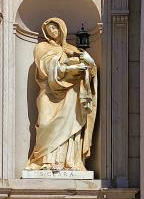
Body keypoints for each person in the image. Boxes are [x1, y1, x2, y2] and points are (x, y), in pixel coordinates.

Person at [25, 17, 97, 171]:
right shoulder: (41, 47)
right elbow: (44, 67)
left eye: (55, 28)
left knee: (70, 126)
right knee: (44, 123)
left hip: (71, 93)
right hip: (49, 92)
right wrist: (66, 69)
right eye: (49, 29)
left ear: (62, 29)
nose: (52, 31)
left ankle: (68, 161)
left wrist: (90, 62)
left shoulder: (72, 49)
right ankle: (43, 160)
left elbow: (90, 73)